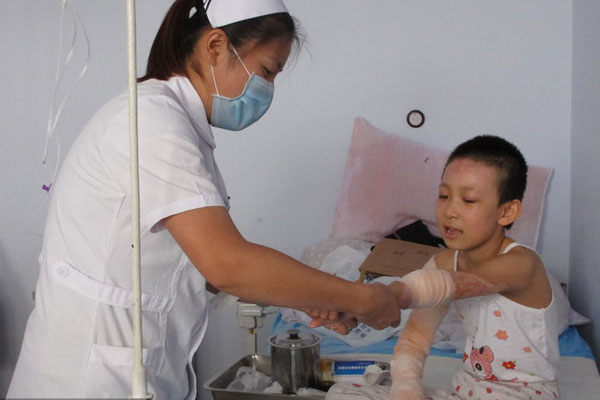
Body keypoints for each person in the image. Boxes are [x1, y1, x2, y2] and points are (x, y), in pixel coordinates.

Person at [7, 1, 400, 398]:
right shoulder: (153, 123)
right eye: (266, 72)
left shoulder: (174, 123)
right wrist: (360, 297)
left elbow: (205, 271)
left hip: (134, 372)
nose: (268, 91)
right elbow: (227, 265)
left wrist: (310, 298)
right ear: (215, 46)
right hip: (88, 380)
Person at [312, 135, 559, 400]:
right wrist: (405, 390)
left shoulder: (522, 264)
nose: (449, 211)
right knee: (344, 393)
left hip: (524, 395)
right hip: (466, 390)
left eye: (469, 200)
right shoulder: (444, 261)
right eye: (444, 195)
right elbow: (416, 339)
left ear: (506, 212)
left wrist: (379, 296)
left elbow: (445, 286)